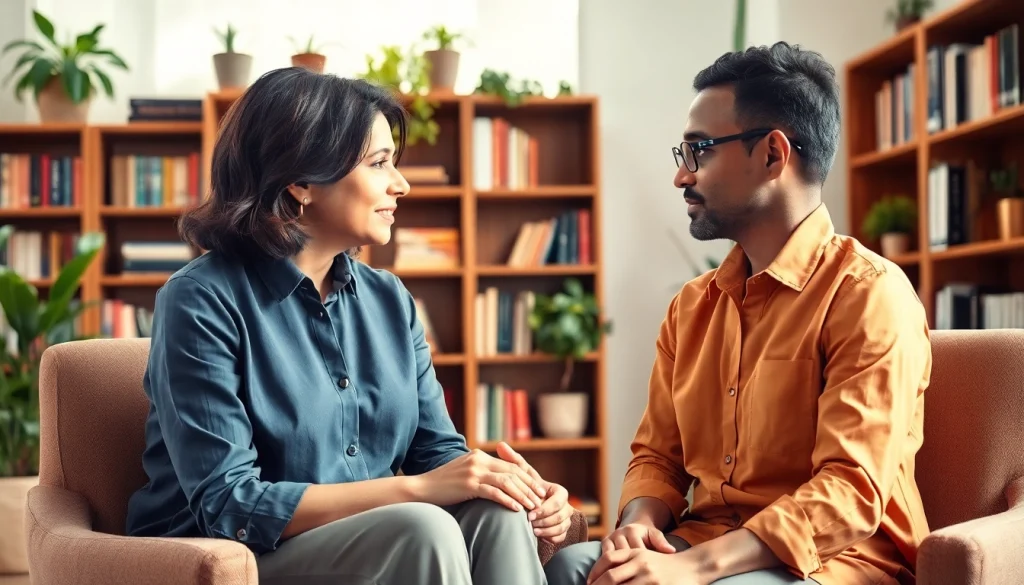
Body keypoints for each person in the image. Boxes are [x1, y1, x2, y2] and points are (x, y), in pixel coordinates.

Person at [124, 67, 575, 585]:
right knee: (422, 527)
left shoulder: (389, 300)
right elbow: (230, 504)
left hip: (375, 537)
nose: (400, 184)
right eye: (380, 163)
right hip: (234, 559)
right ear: (301, 181)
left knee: (498, 514)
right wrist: (418, 491)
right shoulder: (200, 300)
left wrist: (510, 484)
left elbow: (437, 454)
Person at [545, 42, 931, 585]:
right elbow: (658, 455)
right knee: (572, 568)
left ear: (773, 154)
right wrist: (638, 524)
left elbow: (850, 490)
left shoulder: (869, 294)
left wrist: (693, 569)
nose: (682, 177)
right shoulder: (692, 307)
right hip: (706, 544)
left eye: (699, 150)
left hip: (835, 562)